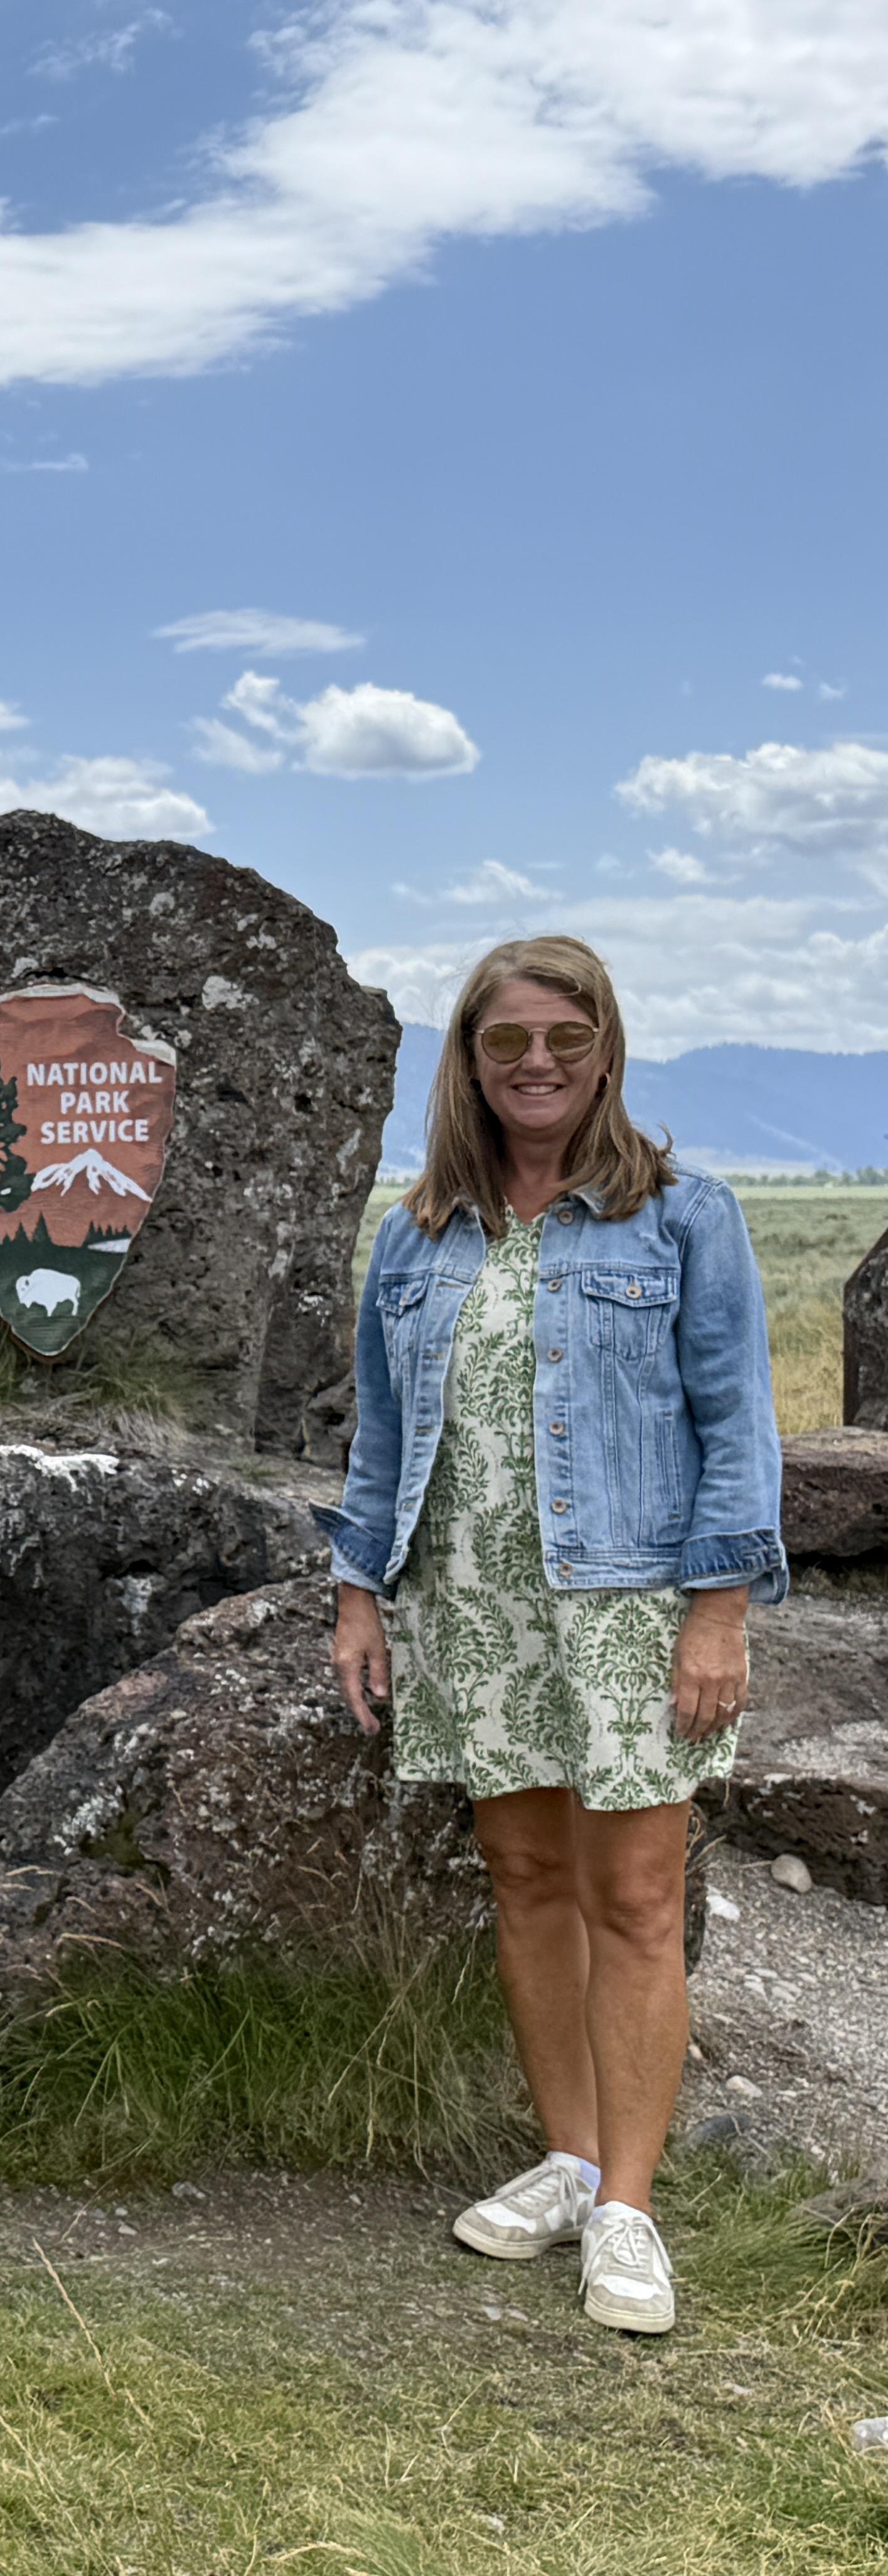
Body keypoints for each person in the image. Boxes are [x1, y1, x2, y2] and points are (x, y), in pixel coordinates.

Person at [323, 934, 785, 2337]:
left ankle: (632, 2212)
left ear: (605, 1053)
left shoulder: (684, 1219)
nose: (536, 1065)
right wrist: (358, 1591)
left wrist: (718, 1615)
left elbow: (738, 1427)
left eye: (563, 1042)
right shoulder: (417, 1240)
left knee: (636, 1898)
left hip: (628, 1606)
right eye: (506, 1041)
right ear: (468, 1058)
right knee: (527, 1878)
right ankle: (574, 2162)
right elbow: (384, 1432)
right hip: (471, 1603)